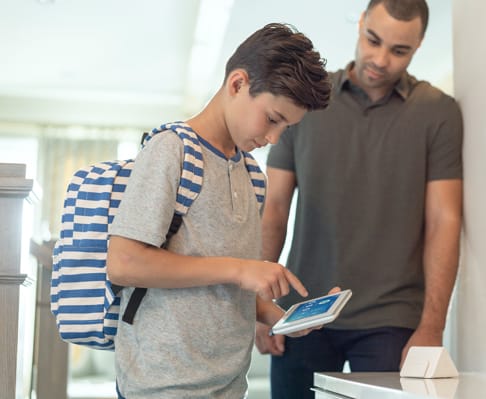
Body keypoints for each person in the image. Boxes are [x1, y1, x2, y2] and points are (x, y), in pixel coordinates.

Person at [106, 23, 332, 399]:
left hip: (228, 385)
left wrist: (280, 317)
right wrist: (241, 269)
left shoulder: (253, 176)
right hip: (162, 383)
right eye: (273, 119)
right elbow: (124, 263)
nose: (274, 139)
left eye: (286, 129)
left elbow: (227, 286)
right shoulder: (171, 150)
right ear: (238, 84)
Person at [255, 1, 463, 398]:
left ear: (418, 46)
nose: (381, 59)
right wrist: (260, 306)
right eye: (373, 40)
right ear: (361, 24)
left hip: (393, 320)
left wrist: (432, 327)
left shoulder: (438, 113)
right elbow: (275, 208)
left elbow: (445, 221)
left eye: (399, 50)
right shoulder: (306, 104)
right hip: (302, 310)